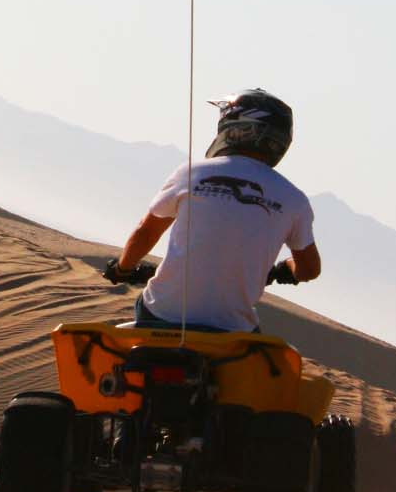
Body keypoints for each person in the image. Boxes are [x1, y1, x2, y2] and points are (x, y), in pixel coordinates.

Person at [105, 89, 321, 333]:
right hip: (232, 328)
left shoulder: (193, 172)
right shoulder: (294, 199)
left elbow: (145, 233)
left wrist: (122, 269)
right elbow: (309, 270)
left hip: (161, 313)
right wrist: (283, 270)